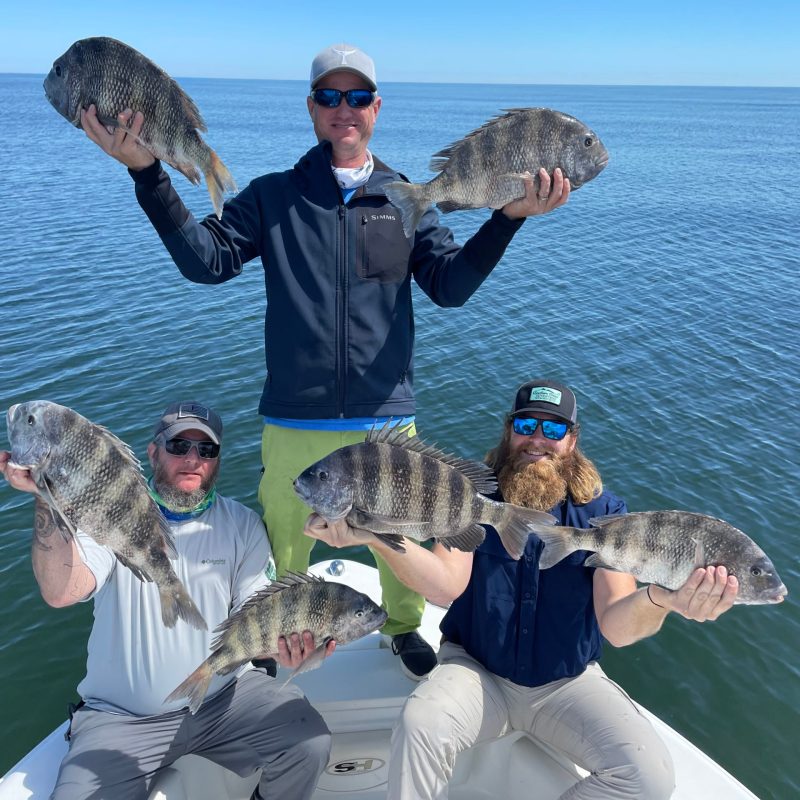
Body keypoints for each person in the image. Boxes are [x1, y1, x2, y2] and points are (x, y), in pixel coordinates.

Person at [78, 43, 571, 680]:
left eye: (358, 97)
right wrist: (148, 172)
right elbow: (205, 262)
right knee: (285, 540)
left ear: (376, 108)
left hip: (386, 419)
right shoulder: (274, 197)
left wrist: (508, 218)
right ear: (312, 108)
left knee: (401, 533)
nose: (346, 110)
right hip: (293, 418)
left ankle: (399, 627)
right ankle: (281, 639)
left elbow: (450, 287)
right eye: (331, 97)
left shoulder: (405, 200)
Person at [305, 378, 740, 799]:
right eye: (525, 426)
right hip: (477, 672)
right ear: (509, 430)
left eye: (553, 429)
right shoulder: (474, 494)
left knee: (649, 777)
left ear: (572, 440)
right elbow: (444, 587)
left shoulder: (603, 514)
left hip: (565, 684)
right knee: (420, 724)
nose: (537, 440)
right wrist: (375, 537)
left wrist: (663, 598)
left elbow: (618, 627)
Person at [0, 400, 332, 800]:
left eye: (206, 450)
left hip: (224, 698)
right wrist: (46, 499)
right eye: (179, 447)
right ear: (153, 451)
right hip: (123, 719)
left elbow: (259, 618)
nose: (193, 459)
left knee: (308, 742)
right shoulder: (106, 511)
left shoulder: (243, 525)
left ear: (218, 460)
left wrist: (295, 654)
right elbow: (59, 592)